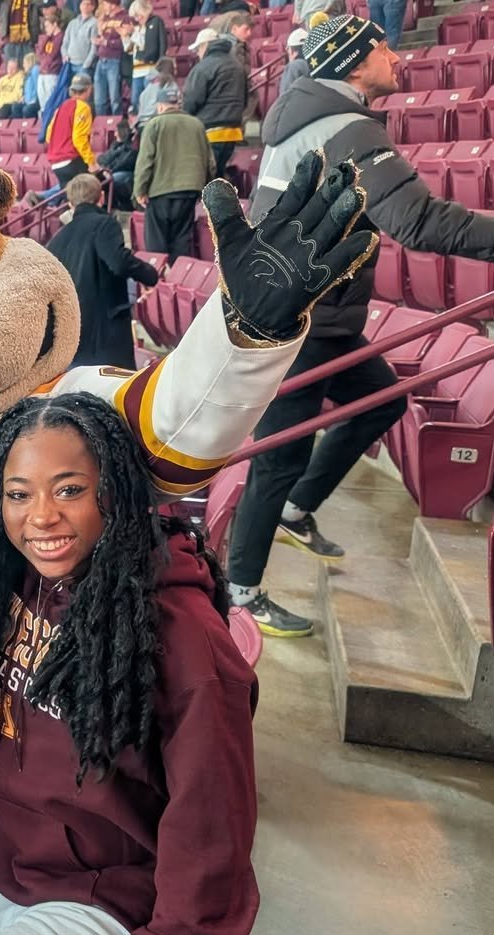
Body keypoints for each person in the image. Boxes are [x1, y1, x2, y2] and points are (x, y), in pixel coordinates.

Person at [0, 392, 258, 935]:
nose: (41, 516)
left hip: (104, 898)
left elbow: (212, 826)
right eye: (18, 494)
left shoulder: (184, 638)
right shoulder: (16, 575)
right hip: (5, 867)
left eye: (69, 490)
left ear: (116, 490)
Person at [230, 14, 494, 636]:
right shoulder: (345, 129)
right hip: (298, 319)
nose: (397, 58)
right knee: (277, 457)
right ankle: (239, 594)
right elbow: (421, 222)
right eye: (382, 48)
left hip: (319, 312)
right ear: (353, 62)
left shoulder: (305, 118)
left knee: (379, 400)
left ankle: (296, 513)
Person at [47, 174, 159, 368]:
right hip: (105, 334)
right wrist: (149, 274)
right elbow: (119, 262)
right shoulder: (104, 224)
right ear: (101, 197)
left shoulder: (57, 239)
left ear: (70, 203)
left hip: (71, 336)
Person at [134, 87, 215, 256]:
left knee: (157, 243)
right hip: (189, 191)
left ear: (160, 106)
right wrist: (204, 187)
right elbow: (210, 163)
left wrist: (140, 190)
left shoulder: (155, 124)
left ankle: (160, 279)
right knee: (182, 240)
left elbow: (145, 162)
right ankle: (179, 276)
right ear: (177, 104)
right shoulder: (197, 124)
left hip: (160, 191)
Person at [183, 27, 246, 179]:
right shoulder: (237, 65)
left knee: (206, 178)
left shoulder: (204, 67)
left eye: (198, 49)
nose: (197, 53)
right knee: (218, 174)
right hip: (233, 132)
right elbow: (245, 98)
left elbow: (191, 101)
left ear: (205, 46)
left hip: (209, 132)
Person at [45, 73, 96, 190]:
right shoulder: (83, 107)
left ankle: (42, 197)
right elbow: (79, 138)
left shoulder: (61, 107)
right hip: (71, 160)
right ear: (88, 89)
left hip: (56, 163)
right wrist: (91, 161)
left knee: (69, 195)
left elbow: (49, 136)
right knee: (93, 189)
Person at [91, 0, 132, 117]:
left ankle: (116, 124)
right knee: (99, 99)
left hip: (115, 60)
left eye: (105, 3)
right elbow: (102, 37)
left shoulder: (125, 18)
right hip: (101, 59)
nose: (103, 6)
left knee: (115, 97)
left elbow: (125, 43)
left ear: (113, 5)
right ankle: (101, 126)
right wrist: (98, 40)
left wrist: (106, 42)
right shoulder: (105, 18)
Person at [127, 0, 167, 107]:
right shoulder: (136, 28)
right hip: (137, 70)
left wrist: (161, 65)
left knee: (151, 100)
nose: (137, 19)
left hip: (151, 68)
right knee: (135, 100)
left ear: (145, 11)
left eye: (138, 15)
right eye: (135, 17)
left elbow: (155, 44)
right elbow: (131, 49)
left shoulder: (156, 21)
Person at [36, 5, 64, 110]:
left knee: (51, 102)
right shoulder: (48, 38)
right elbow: (40, 52)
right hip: (42, 72)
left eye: (47, 26)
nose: (45, 29)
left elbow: (53, 53)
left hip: (52, 72)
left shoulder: (60, 37)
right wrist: (47, 37)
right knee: (43, 104)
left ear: (55, 24)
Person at [133, 56, 176, 123]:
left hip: (142, 123)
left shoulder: (149, 86)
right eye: (174, 68)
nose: (176, 71)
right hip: (156, 123)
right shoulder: (170, 85)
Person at [61, 0, 98, 78]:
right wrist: (65, 55)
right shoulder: (72, 23)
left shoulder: (95, 23)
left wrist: (86, 64)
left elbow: (94, 47)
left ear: (93, 7)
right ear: (80, 5)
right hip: (69, 64)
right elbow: (65, 43)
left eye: (88, 4)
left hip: (83, 66)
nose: (85, 6)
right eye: (83, 4)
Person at [281, 28, 310, 94]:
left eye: (288, 48)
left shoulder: (293, 66)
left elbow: (284, 97)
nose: (286, 50)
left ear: (295, 52)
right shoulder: (315, 64)